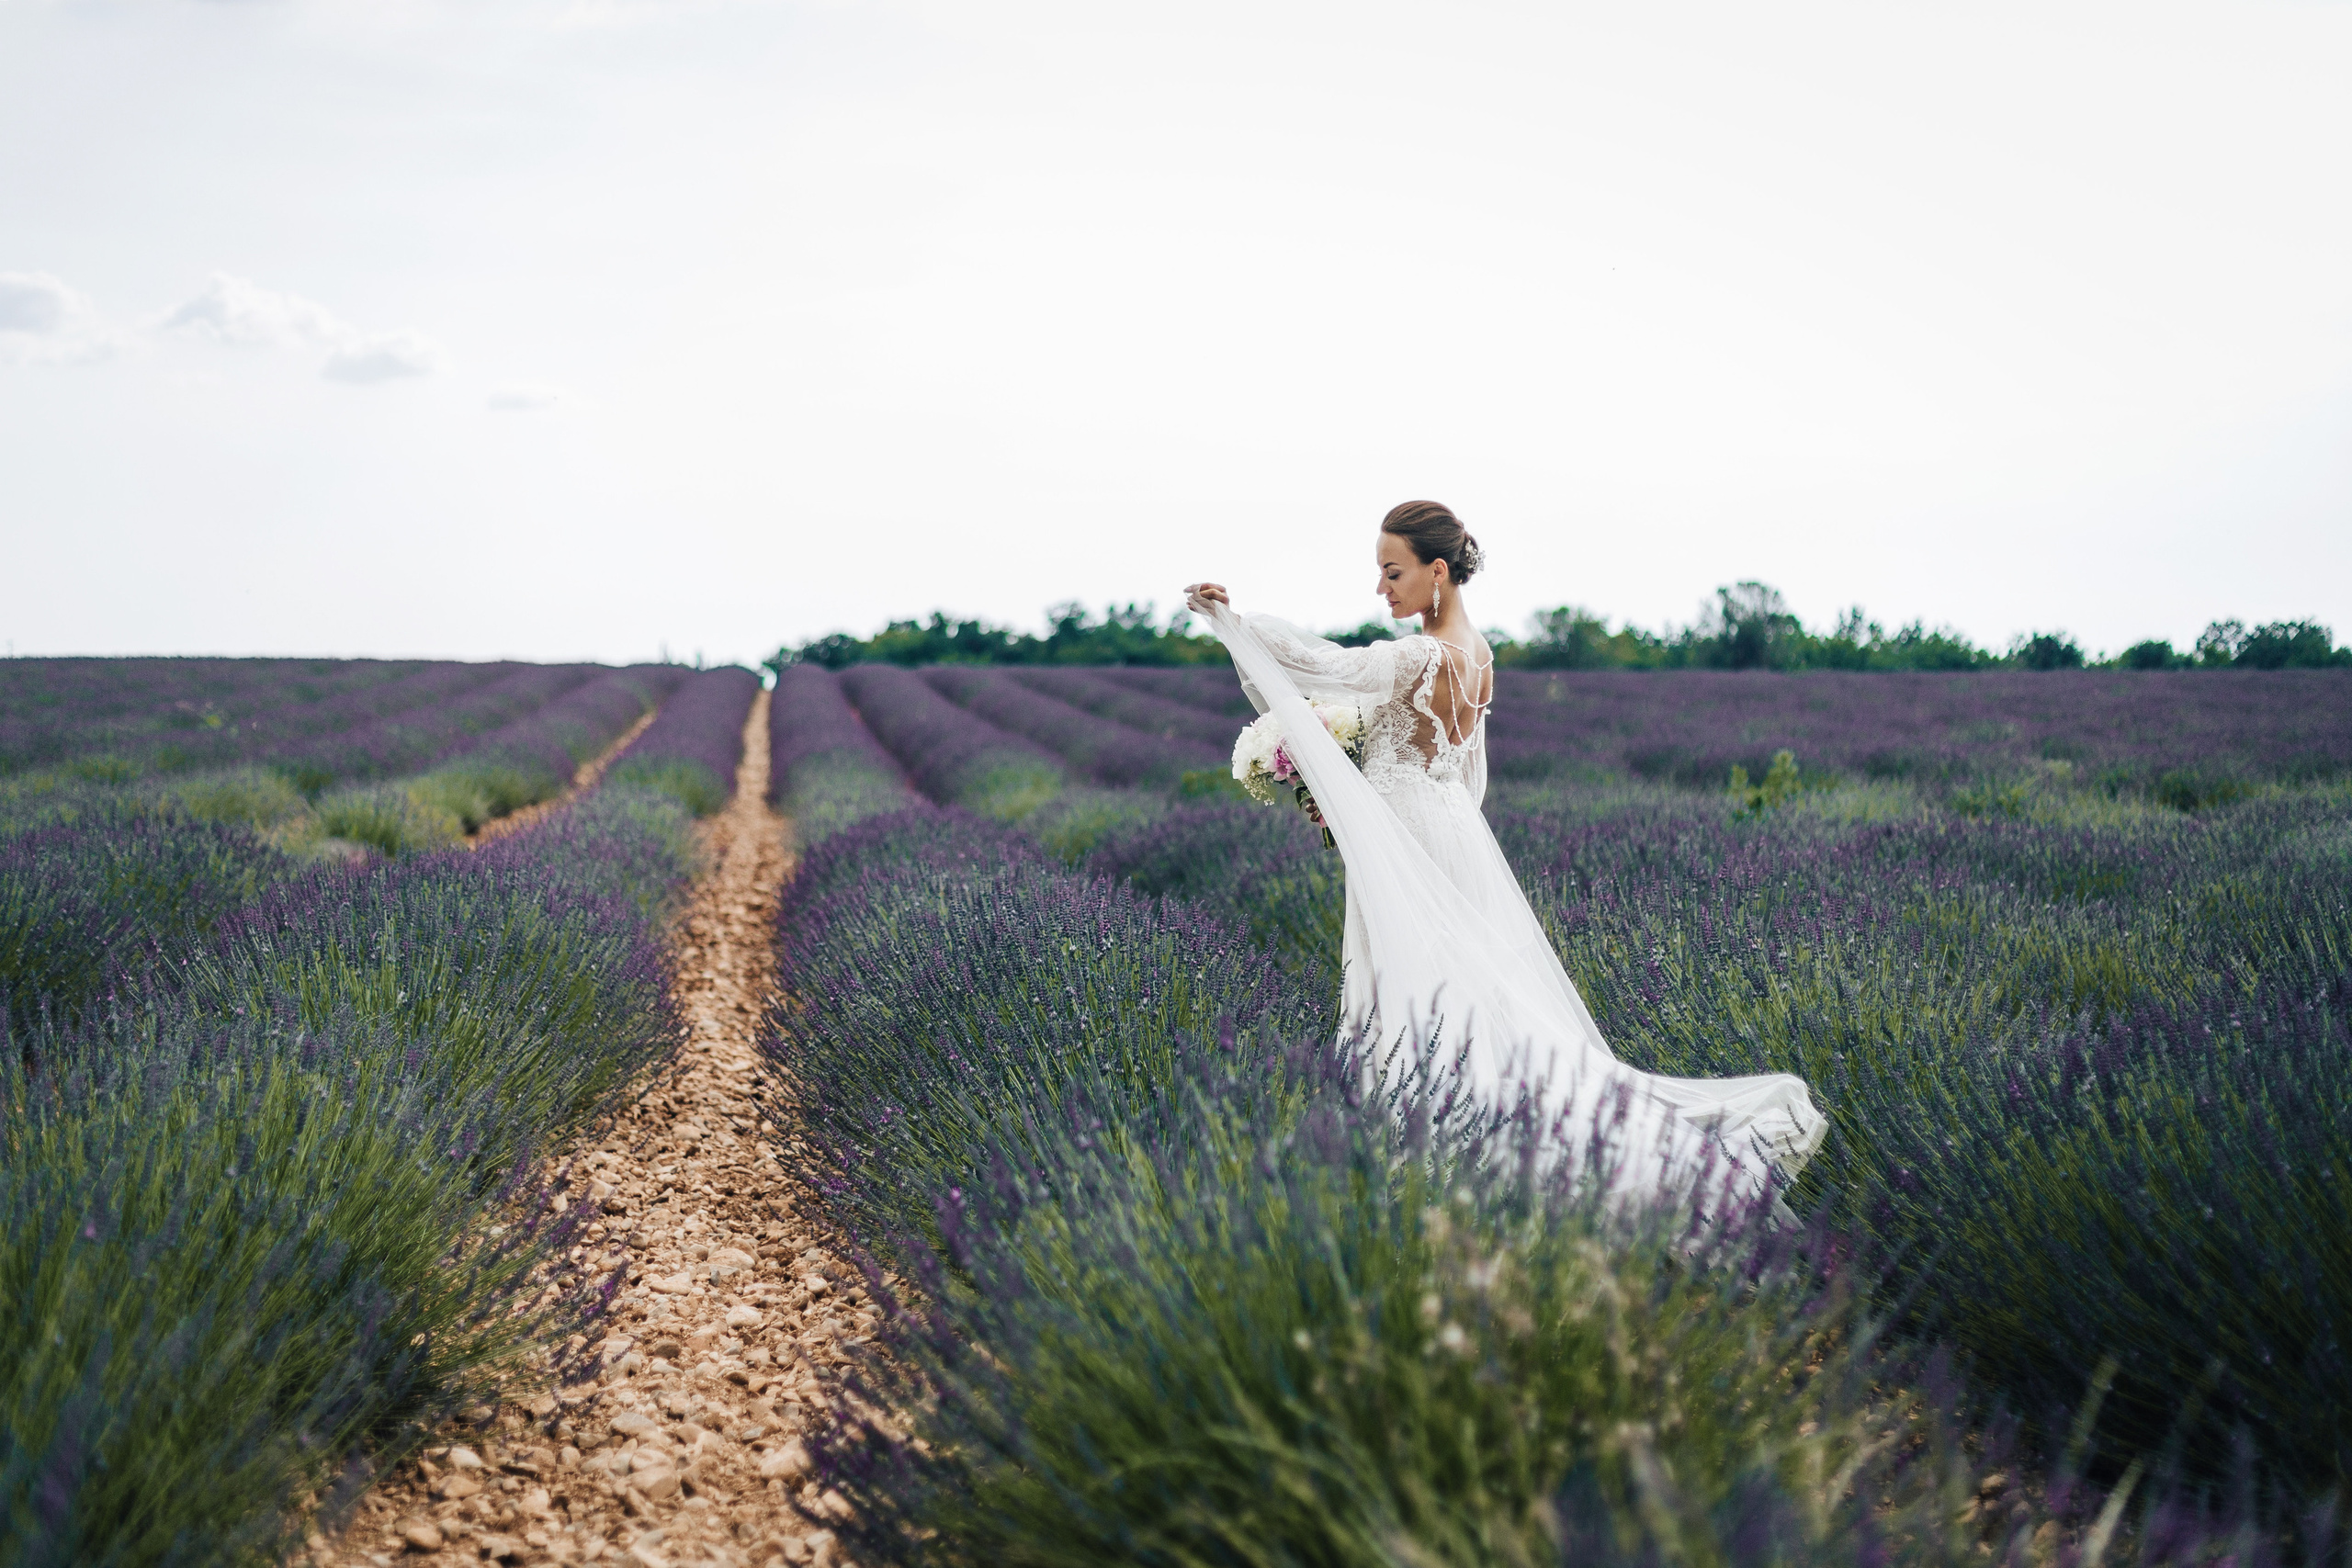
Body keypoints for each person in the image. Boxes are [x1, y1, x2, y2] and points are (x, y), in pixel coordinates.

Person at [1187, 500, 1824, 1217]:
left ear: (1437, 570)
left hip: (1413, 839)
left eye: (1392, 573)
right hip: (1452, 829)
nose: (1381, 589)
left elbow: (1325, 665)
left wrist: (1233, 624)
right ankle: (1444, 1154)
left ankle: (1439, 1166)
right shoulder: (1479, 654)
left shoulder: (1421, 654)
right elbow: (1462, 776)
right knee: (1466, 1000)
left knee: (1415, 999)